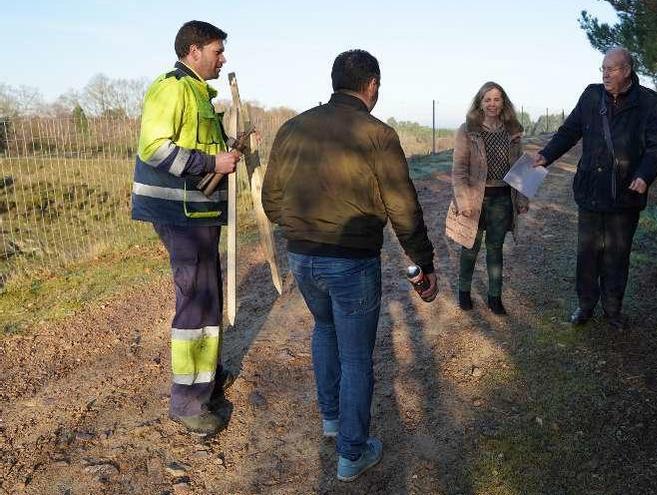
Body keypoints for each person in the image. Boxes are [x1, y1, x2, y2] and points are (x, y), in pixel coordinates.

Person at [262, 49, 438, 482]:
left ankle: (332, 420)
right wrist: (422, 260)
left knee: (324, 329)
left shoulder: (293, 128)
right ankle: (352, 454)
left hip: (302, 256)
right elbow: (403, 205)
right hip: (351, 261)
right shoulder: (377, 134)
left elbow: (270, 201)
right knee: (357, 357)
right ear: (372, 85)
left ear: (335, 80)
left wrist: (301, 227)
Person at [130, 20, 240, 436]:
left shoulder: (199, 94)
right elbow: (155, 147)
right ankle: (188, 402)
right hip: (180, 215)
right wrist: (213, 164)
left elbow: (202, 149)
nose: (222, 57)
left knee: (208, 297)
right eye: (217, 50)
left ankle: (205, 374)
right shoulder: (172, 87)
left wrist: (226, 154)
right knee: (195, 301)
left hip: (199, 213)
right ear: (193, 51)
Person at [533, 47, 657, 329]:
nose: (605, 74)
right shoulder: (591, 96)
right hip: (591, 191)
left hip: (626, 195)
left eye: (612, 69)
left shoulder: (648, 103)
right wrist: (546, 155)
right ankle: (585, 306)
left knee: (617, 256)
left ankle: (613, 309)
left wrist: (644, 175)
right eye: (603, 69)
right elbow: (569, 131)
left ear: (627, 71)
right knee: (588, 254)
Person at [449, 82, 528, 315]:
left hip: (502, 200)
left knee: (495, 249)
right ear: (480, 102)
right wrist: (463, 202)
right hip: (474, 200)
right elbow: (459, 170)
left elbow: (521, 167)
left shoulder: (512, 130)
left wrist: (521, 199)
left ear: (503, 101)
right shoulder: (467, 129)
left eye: (497, 99)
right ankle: (463, 292)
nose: (492, 104)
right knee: (470, 247)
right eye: (487, 99)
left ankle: (495, 297)